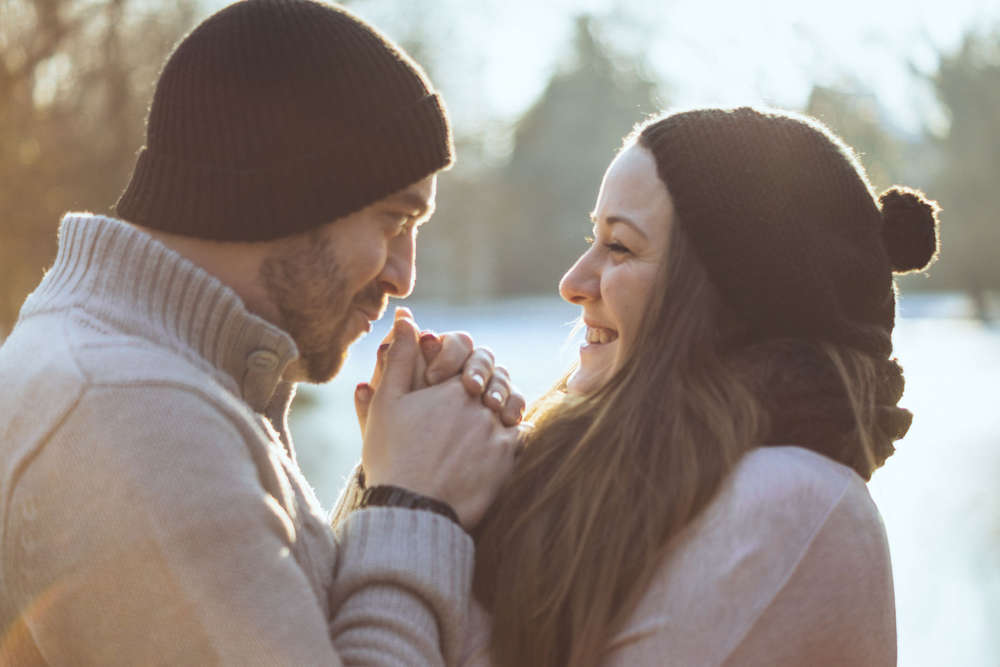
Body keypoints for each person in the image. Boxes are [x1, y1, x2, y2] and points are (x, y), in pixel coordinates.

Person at [0, 1, 524, 664]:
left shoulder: (156, 377)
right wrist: (414, 505)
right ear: (293, 194)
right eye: (395, 221)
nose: (403, 275)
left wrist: (401, 473)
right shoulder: (129, 411)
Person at [359, 107, 941, 666]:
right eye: (593, 238)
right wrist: (406, 470)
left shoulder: (791, 503)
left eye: (619, 246)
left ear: (731, 300)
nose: (573, 281)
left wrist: (414, 506)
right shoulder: (590, 475)